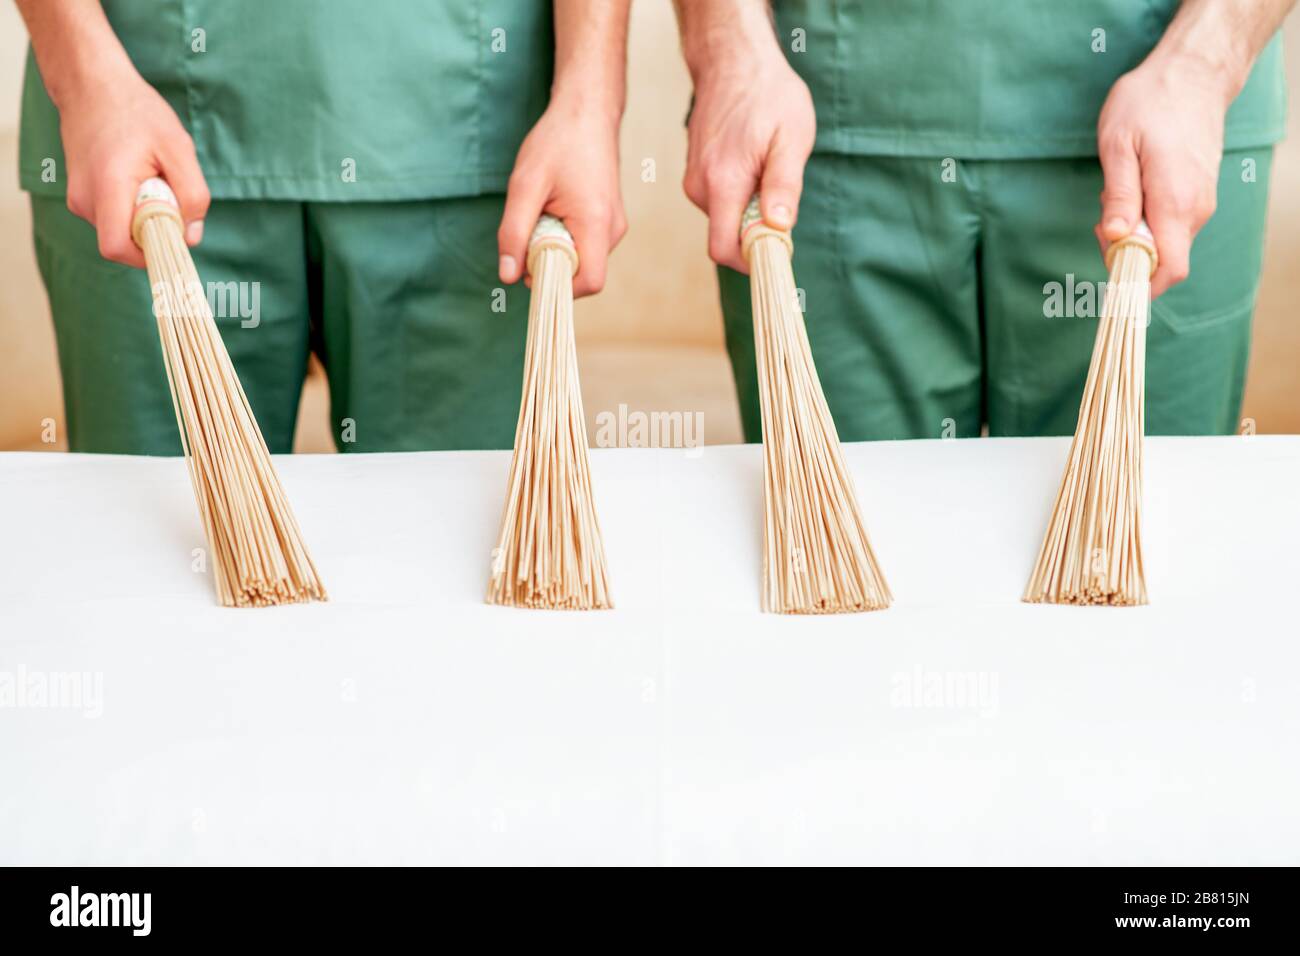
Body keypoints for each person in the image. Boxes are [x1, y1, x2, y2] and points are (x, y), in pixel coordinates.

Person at [15, 0, 629, 454]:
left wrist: (591, 99)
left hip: (468, 143)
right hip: (140, 136)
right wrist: (86, 76)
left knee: (455, 581)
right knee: (159, 576)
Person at [674, 0, 1293, 440]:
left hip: (1167, 118)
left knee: (1138, 571)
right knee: (837, 576)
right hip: (820, 123)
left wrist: (1204, 61)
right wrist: (725, 43)